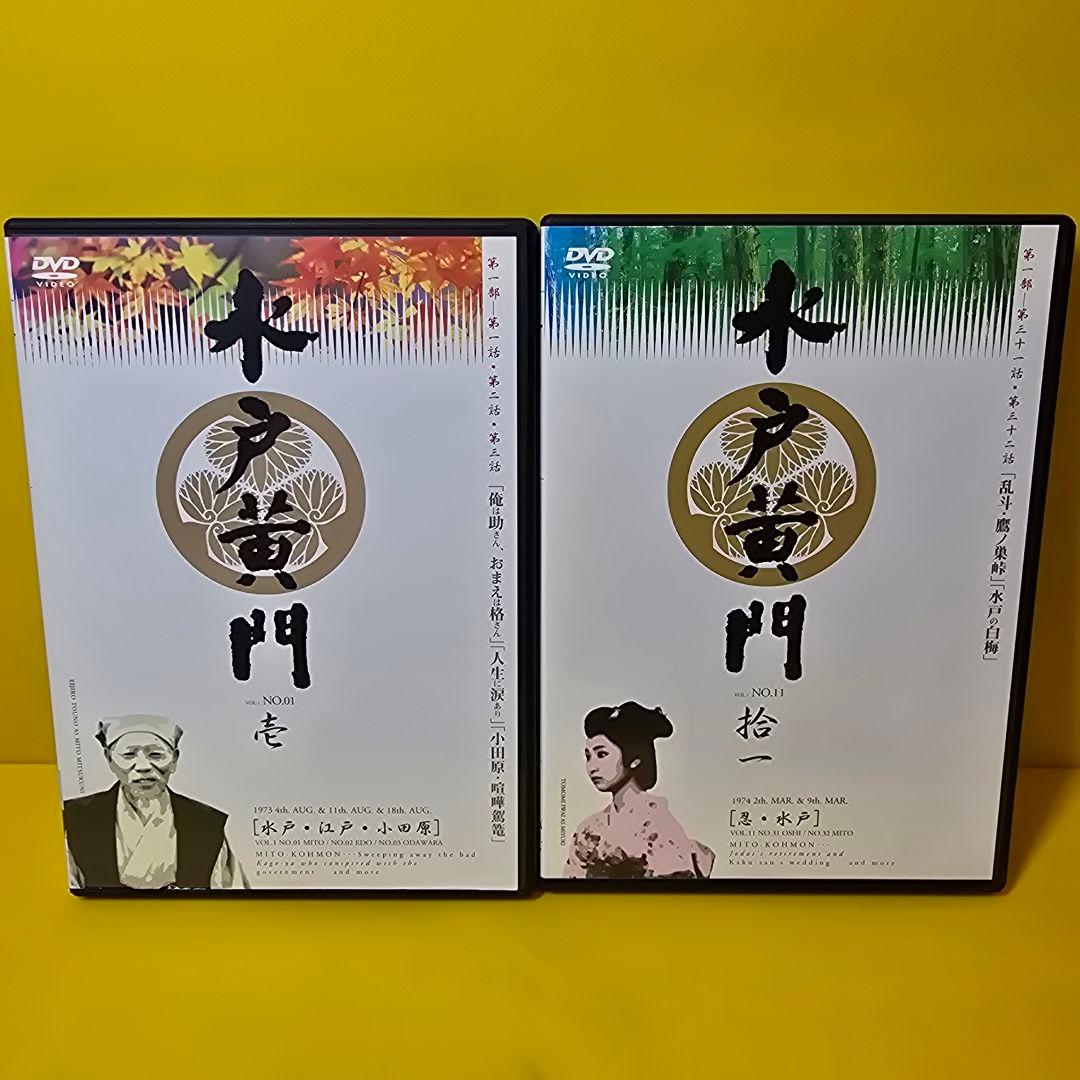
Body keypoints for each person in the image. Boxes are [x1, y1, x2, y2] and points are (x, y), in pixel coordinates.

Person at [63, 715, 248, 890]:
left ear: (174, 759)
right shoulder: (76, 817)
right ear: (109, 758)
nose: (143, 767)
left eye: (156, 755)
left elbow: (232, 894)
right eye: (129, 755)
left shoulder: (206, 823)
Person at [565, 701, 714, 880]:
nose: (592, 767)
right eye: (588, 756)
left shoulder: (660, 825)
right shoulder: (589, 828)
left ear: (634, 759)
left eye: (602, 754)